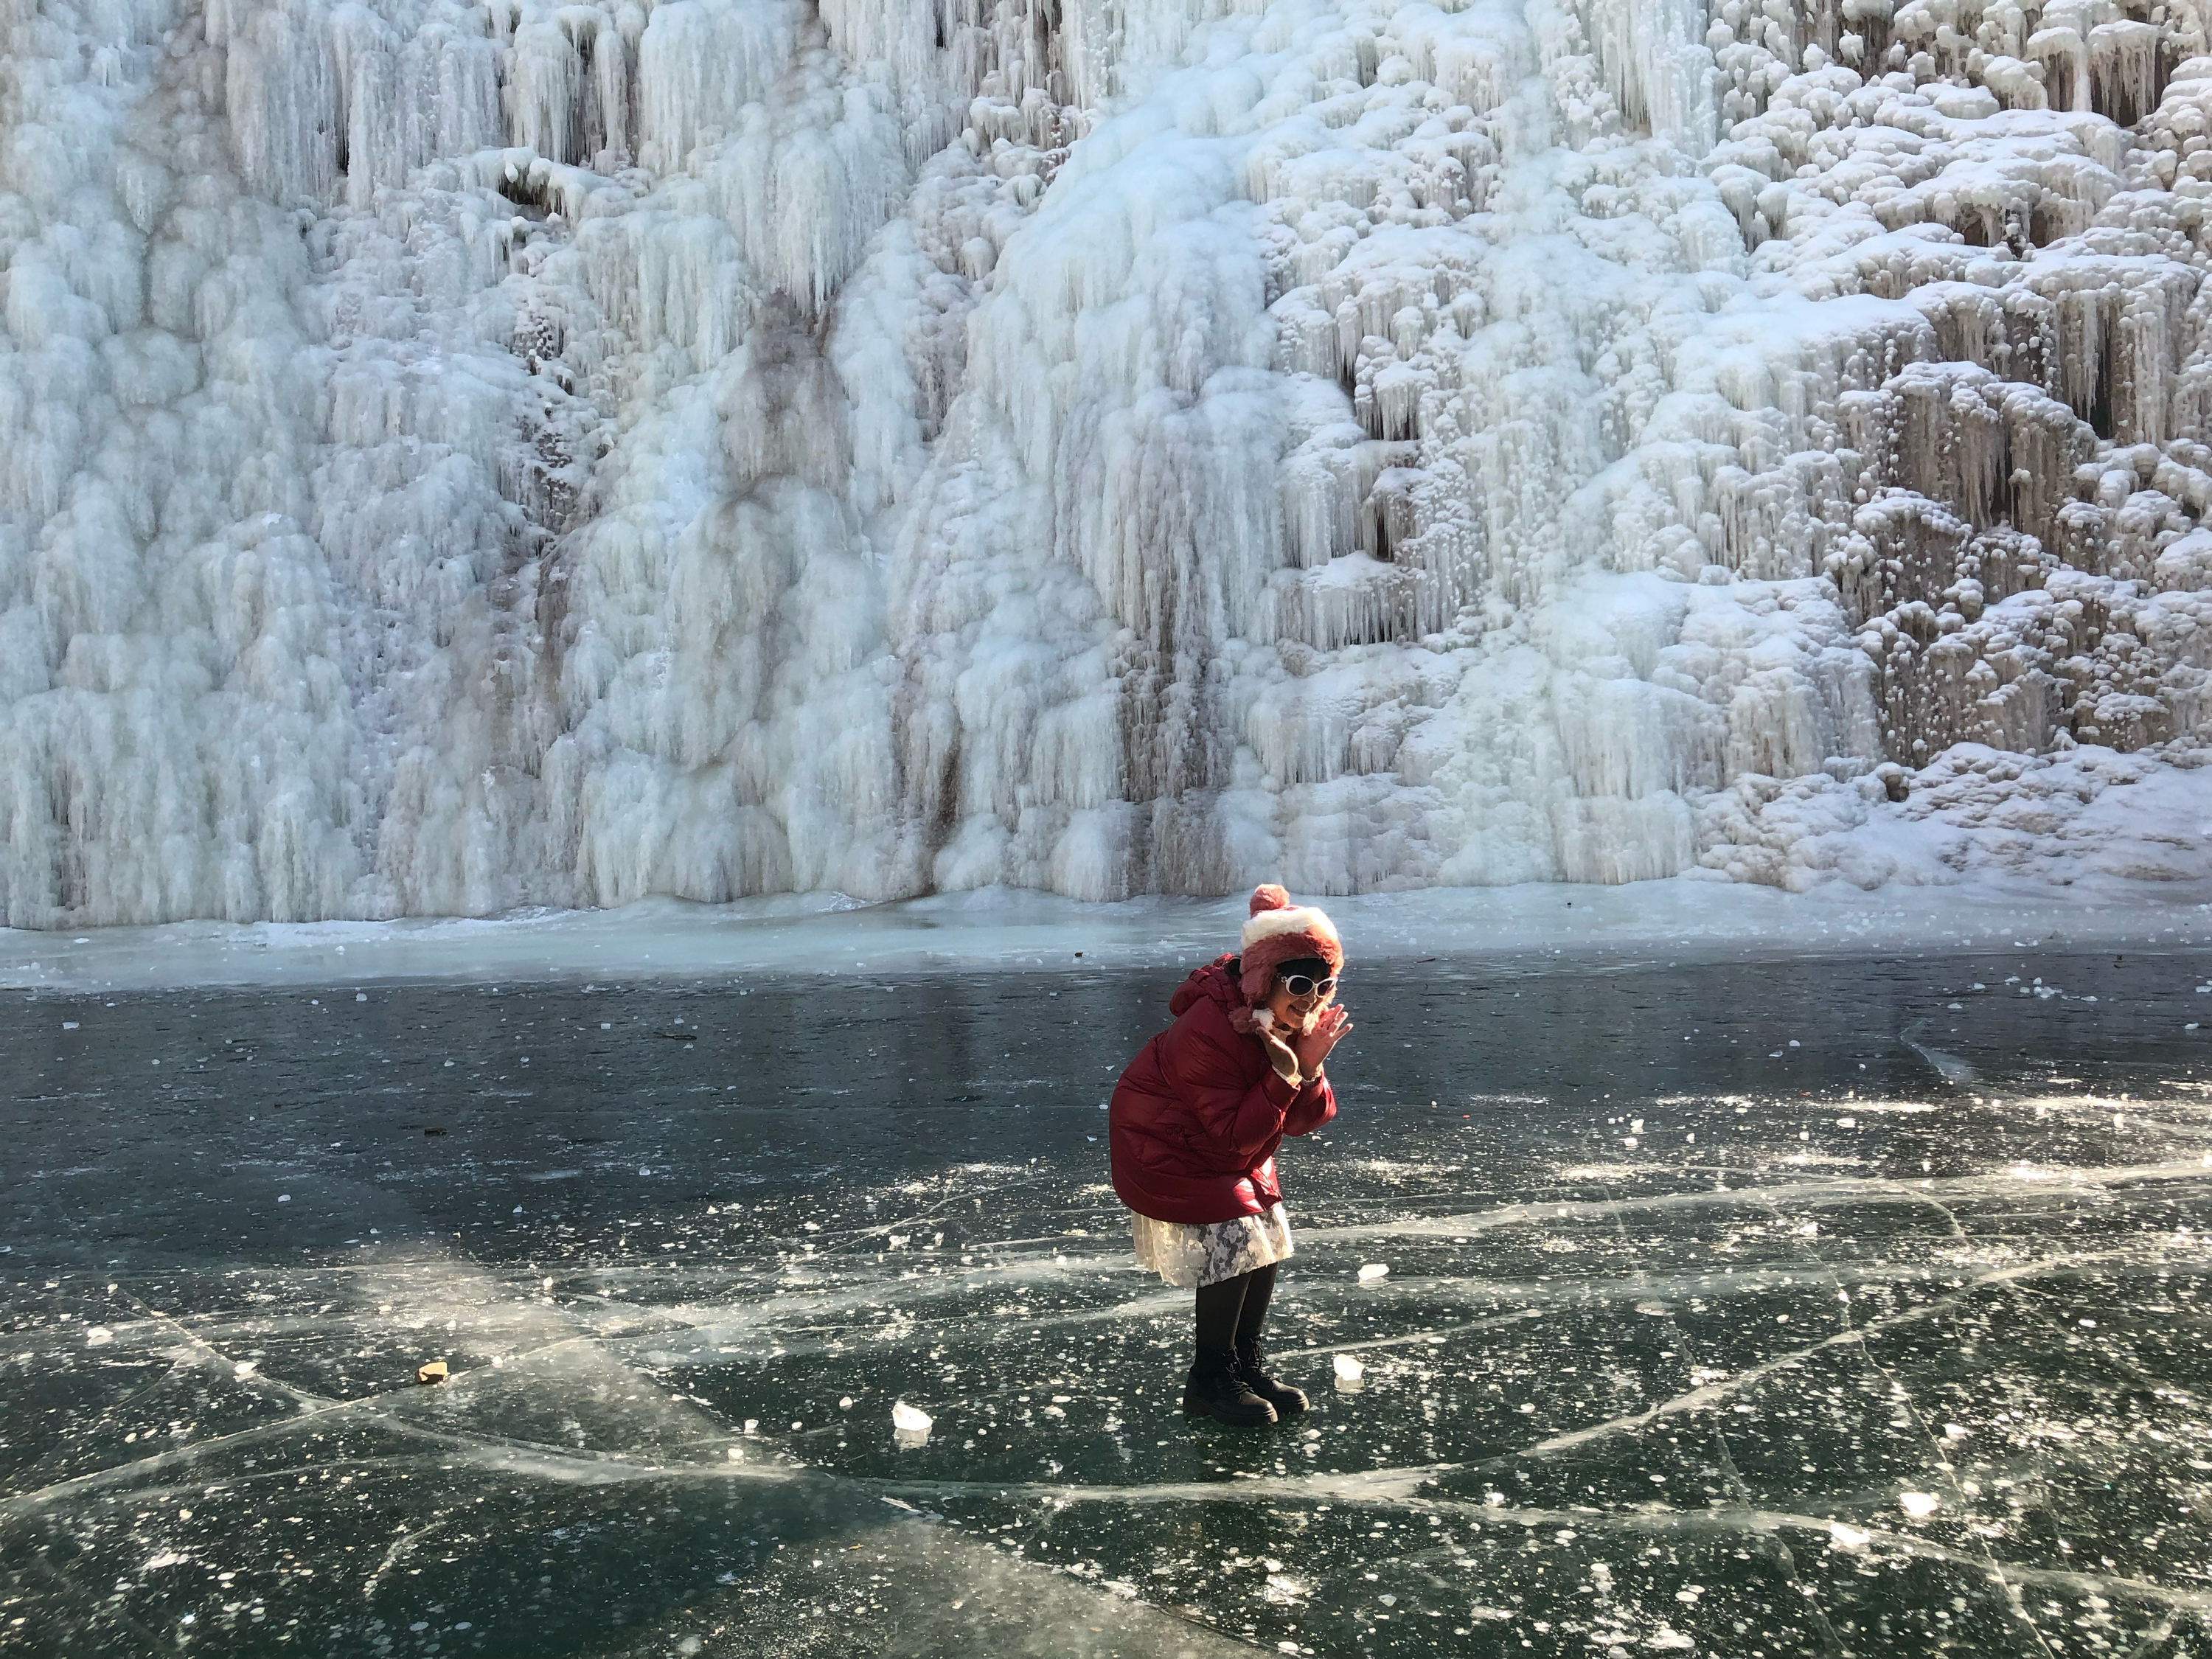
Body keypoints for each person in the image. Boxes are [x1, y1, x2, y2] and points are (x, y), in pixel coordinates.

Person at [1107, 884, 1353, 1426]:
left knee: (1267, 1235)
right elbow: (1234, 1136)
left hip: (1227, 1138)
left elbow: (1309, 1120)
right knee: (1236, 1236)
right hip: (1164, 1143)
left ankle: (1245, 1365)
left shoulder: (1289, 1022)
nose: (1312, 997)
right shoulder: (1209, 1028)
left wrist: (1307, 1068)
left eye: (1325, 984)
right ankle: (1210, 1378)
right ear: (1265, 978)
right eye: (1298, 982)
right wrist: (1290, 1073)